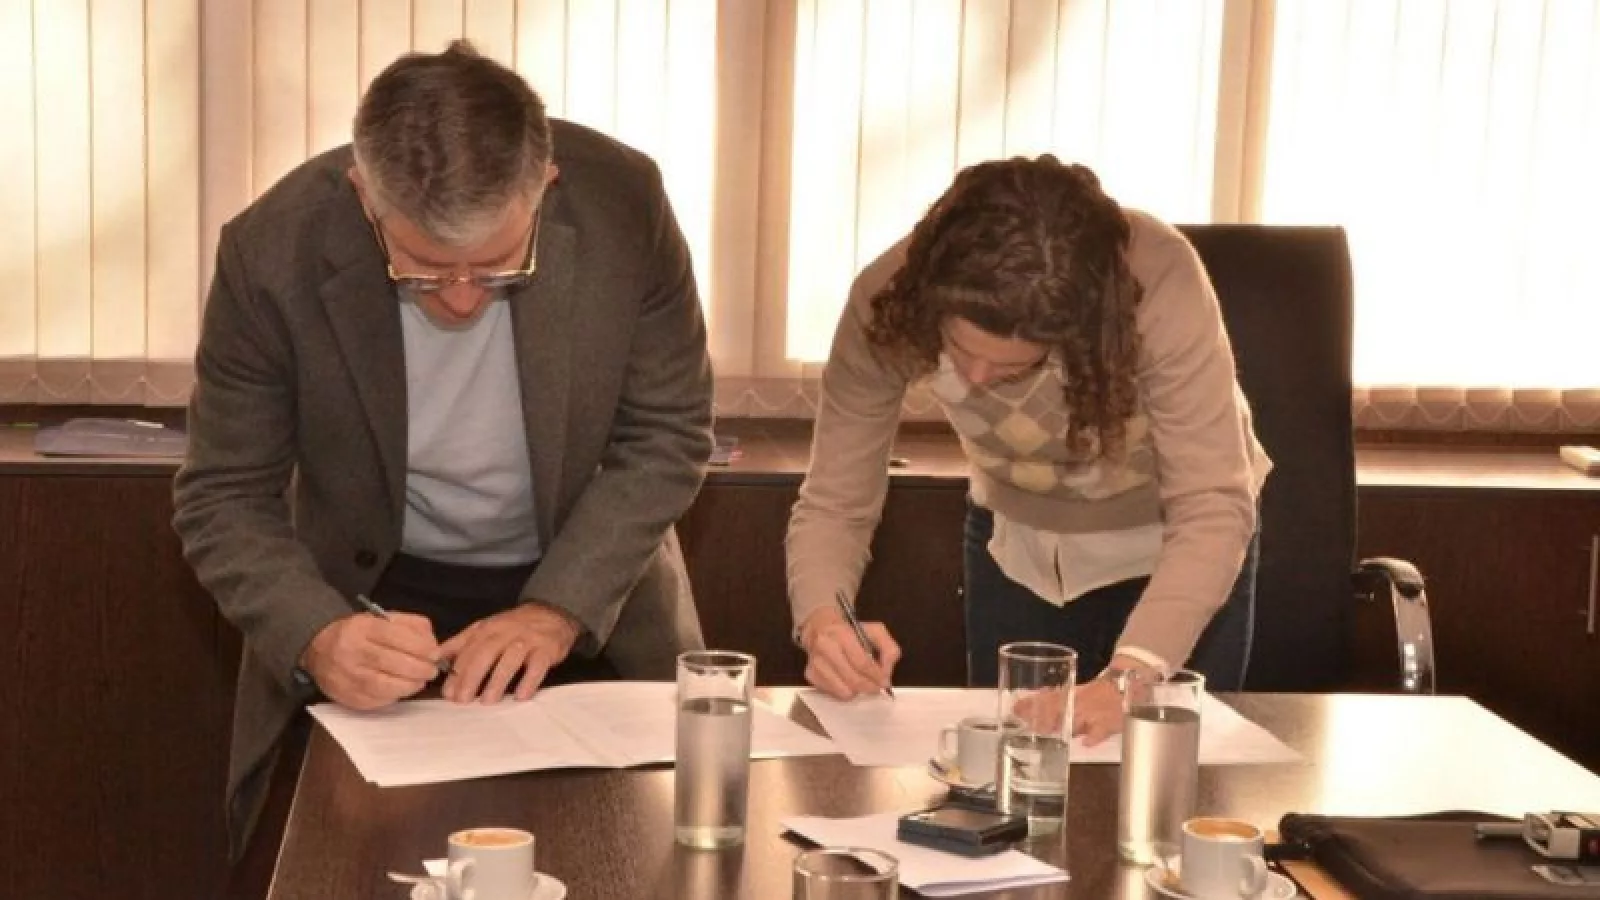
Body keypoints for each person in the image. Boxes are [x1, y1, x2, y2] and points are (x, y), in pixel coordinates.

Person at [173, 40, 713, 864]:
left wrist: (557, 610)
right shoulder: (271, 251)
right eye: (424, 270)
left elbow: (667, 433)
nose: (461, 299)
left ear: (546, 186)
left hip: (588, 588)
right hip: (373, 605)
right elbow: (223, 493)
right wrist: (316, 632)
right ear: (364, 195)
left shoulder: (625, 203)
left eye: (497, 266)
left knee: (621, 861)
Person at [786, 155, 1269, 744]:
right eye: (960, 350)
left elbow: (1212, 504)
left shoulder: (1157, 282)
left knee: (1166, 771)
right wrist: (823, 621)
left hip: (1178, 545)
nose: (976, 379)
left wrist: (1131, 676)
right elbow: (835, 499)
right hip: (1017, 545)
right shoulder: (888, 298)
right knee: (1013, 767)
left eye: (1012, 367)